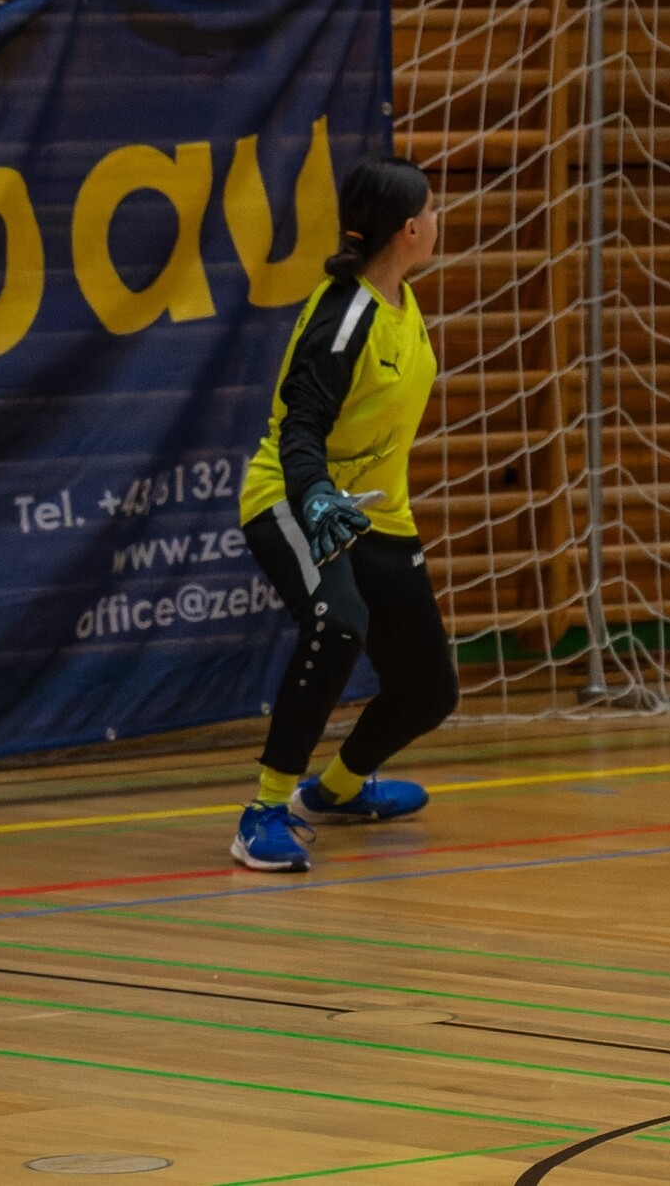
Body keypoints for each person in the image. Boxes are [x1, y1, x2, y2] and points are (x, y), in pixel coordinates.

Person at [230, 155, 458, 873]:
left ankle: (335, 791)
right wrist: (316, 496)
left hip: (375, 513)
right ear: (411, 229)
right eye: (433, 208)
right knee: (337, 625)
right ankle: (263, 813)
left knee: (427, 689)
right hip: (294, 498)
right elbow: (300, 428)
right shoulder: (344, 316)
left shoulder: (401, 302)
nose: (439, 219)